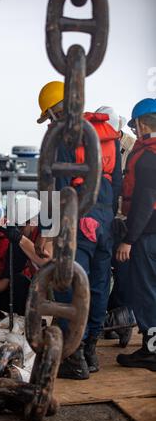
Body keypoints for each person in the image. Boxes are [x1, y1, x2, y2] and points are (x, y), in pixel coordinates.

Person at [36, 81, 122, 379]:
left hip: (78, 223)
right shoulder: (105, 135)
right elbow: (118, 184)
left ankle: (72, 358)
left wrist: (47, 235)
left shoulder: (61, 137)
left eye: (48, 116)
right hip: (105, 224)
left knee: (69, 289)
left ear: (53, 112)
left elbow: (53, 189)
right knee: (97, 288)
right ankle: (90, 351)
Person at [115, 98, 156, 371]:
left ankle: (151, 350)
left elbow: (145, 202)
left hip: (147, 234)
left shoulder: (146, 157)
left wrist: (129, 240)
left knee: (147, 292)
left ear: (141, 124)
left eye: (135, 125)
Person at [96, 107, 136, 347]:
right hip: (103, 219)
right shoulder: (98, 143)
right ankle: (109, 319)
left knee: (123, 271)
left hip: (125, 221)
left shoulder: (132, 148)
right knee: (101, 271)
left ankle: (118, 316)